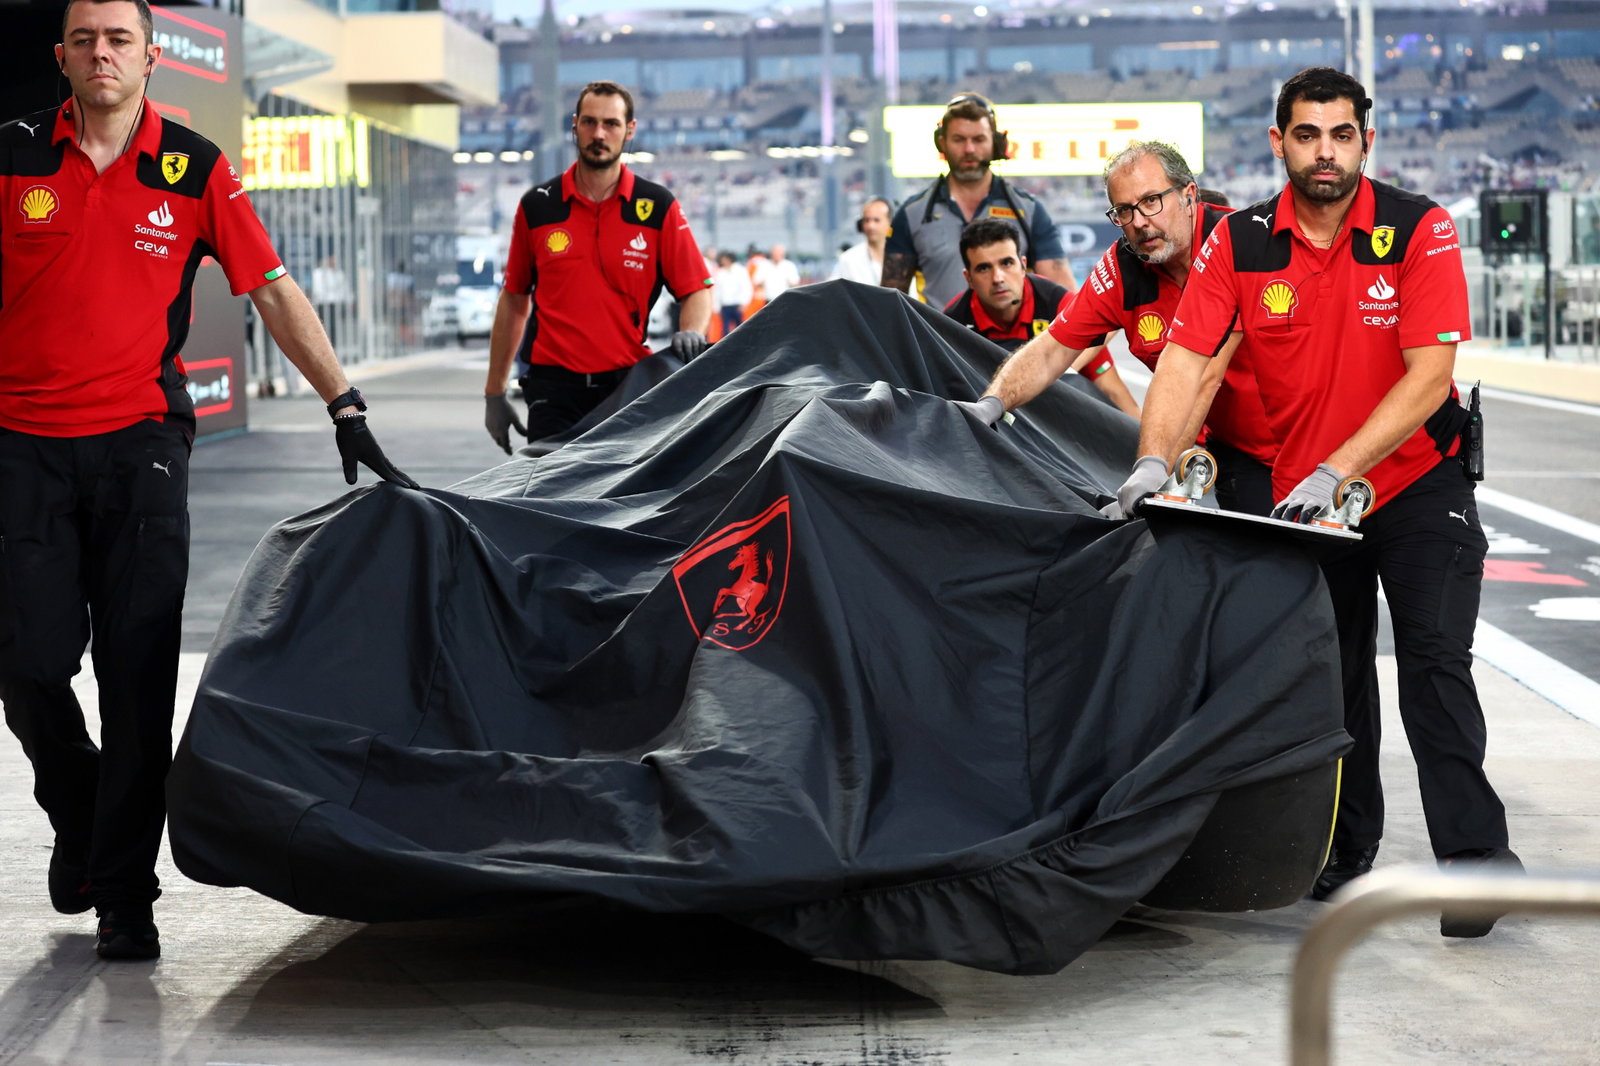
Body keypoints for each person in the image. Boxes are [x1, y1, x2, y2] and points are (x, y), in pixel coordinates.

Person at [0, 0, 414, 962]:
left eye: (120, 40)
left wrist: (344, 403)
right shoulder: (12, 155)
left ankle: (123, 894)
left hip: (142, 446)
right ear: (61, 55)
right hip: (21, 448)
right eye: (85, 39)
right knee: (25, 666)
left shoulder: (193, 168)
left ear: (151, 57)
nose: (102, 54)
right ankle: (78, 806)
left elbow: (270, 286)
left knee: (137, 677)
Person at [1106, 67, 1519, 936]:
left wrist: (1338, 468)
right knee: (1334, 682)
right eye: (1306, 134)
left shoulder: (1420, 228)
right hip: (1310, 502)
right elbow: (1185, 362)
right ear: (1278, 142)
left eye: (1340, 134)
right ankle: (1346, 849)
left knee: (1434, 666)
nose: (1324, 151)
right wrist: (1151, 461)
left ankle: (1477, 864)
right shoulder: (1240, 242)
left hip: (1416, 481)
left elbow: (1429, 377)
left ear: (1366, 140)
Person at [959, 141, 1278, 515]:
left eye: (1151, 201)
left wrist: (1153, 471)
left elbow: (1203, 375)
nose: (1139, 222)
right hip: (1240, 451)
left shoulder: (1239, 243)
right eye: (1124, 210)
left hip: (1307, 438)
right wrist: (990, 405)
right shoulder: (1123, 267)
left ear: (1189, 195)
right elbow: (1051, 348)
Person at [483, 81, 713, 452]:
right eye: (589, 122)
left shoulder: (657, 207)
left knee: (620, 491)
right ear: (575, 125)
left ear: (629, 130)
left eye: (611, 124)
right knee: (550, 490)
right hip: (552, 393)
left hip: (628, 390)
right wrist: (494, 393)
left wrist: (691, 331)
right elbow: (513, 300)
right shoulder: (538, 207)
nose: (599, 134)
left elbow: (696, 289)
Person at [882, 92, 1075, 308]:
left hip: (1016, 331)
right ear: (941, 143)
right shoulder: (912, 215)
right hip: (937, 331)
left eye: (979, 139)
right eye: (959, 139)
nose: (969, 149)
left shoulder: (1028, 211)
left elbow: (1066, 300)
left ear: (996, 143)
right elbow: (889, 305)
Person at [943, 219, 1139, 418]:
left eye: (1007, 263)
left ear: (1023, 266)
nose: (998, 278)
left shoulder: (1062, 306)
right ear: (969, 279)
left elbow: (1113, 391)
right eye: (984, 268)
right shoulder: (951, 324)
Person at [830, 197, 891, 284]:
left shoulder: (904, 258)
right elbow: (831, 289)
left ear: (890, 222)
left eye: (877, 220)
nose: (871, 226)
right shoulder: (848, 259)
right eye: (866, 220)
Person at [713, 250, 753, 334]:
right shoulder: (720, 273)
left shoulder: (740, 271)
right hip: (725, 305)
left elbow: (746, 288)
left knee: (740, 329)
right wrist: (717, 306)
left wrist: (744, 303)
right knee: (725, 330)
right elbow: (717, 290)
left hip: (737, 304)